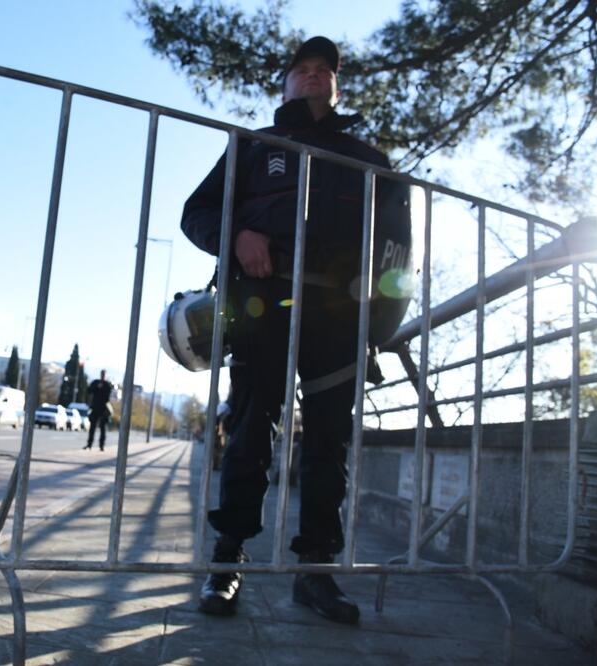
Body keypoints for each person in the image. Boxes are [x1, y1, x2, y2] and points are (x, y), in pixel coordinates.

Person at [182, 36, 408, 624]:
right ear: (284, 83)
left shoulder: (370, 160)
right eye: (301, 69)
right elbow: (196, 212)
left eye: (323, 70)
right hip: (263, 303)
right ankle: (227, 560)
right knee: (250, 430)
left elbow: (397, 253)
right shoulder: (254, 146)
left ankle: (316, 571)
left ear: (337, 86)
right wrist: (236, 236)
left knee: (329, 443)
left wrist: (380, 329)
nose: (312, 76)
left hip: (338, 314)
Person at [83, 369, 114, 451]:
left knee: (103, 428)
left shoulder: (107, 385)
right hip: (95, 408)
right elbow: (89, 391)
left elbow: (107, 398)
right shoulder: (95, 382)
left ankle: (101, 446)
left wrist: (102, 388)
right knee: (92, 427)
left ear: (105, 375)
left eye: (104, 374)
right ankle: (89, 445)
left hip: (103, 409)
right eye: (102, 374)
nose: (103, 375)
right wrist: (96, 387)